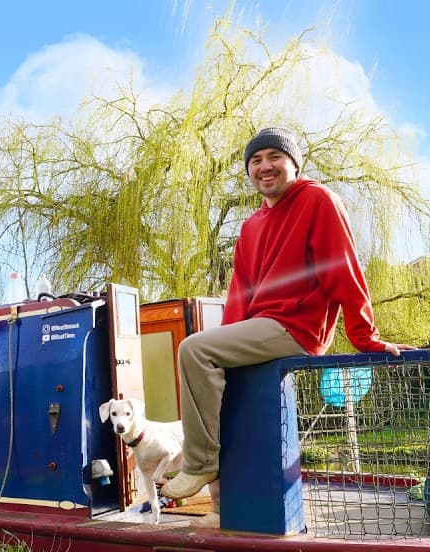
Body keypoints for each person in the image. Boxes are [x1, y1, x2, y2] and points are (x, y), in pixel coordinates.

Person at [160, 127, 414, 503]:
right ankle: (218, 489)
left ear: (293, 163)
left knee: (194, 349)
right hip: (261, 328)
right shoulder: (250, 226)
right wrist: (228, 342)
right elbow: (239, 295)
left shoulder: (318, 200)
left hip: (297, 328)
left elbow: (344, 271)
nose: (265, 166)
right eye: (256, 161)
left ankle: (199, 464)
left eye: (274, 157)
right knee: (212, 365)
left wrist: (365, 338)